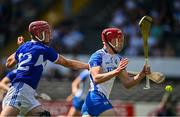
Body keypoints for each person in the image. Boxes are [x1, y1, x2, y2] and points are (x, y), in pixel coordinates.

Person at [1, 20, 89, 116]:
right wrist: (88, 66)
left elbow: (9, 63)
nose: (49, 35)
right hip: (20, 90)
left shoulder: (24, 46)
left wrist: (20, 48)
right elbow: (66, 62)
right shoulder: (43, 49)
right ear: (39, 34)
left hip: (27, 93)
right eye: (47, 32)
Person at [81, 27, 151, 116]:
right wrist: (116, 71)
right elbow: (96, 78)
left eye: (121, 40)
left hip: (99, 100)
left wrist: (141, 74)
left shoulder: (118, 59)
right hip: (95, 98)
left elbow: (127, 83)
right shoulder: (98, 56)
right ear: (108, 41)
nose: (121, 43)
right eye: (117, 40)